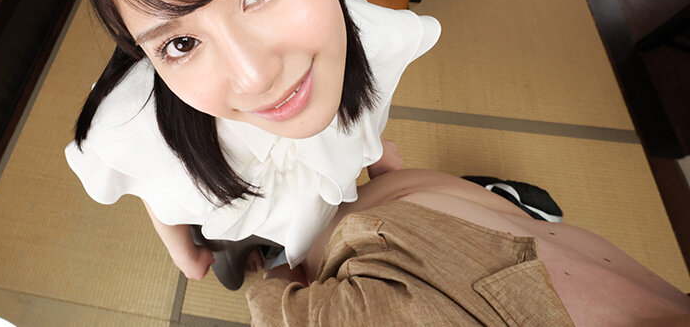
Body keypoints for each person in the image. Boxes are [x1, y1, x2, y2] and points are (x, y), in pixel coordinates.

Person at [64, 0, 440, 289]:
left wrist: (374, 149)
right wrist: (186, 254)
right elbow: (151, 183)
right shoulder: (133, 124)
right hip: (229, 231)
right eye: (181, 44)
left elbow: (368, 99)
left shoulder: (376, 37)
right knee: (231, 269)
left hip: (329, 214)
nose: (255, 78)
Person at [247, 169, 690, 326]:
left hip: (326, 233)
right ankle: (500, 201)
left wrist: (280, 271)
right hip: (464, 209)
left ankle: (271, 251)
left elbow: (271, 306)